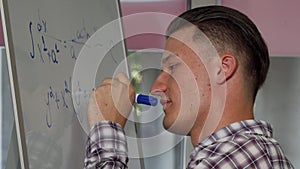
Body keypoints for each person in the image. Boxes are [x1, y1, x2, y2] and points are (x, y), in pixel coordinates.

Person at [84, 5, 294, 169]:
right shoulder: (249, 153)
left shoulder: (235, 156)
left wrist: (107, 129)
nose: (157, 86)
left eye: (173, 66)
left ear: (223, 68)